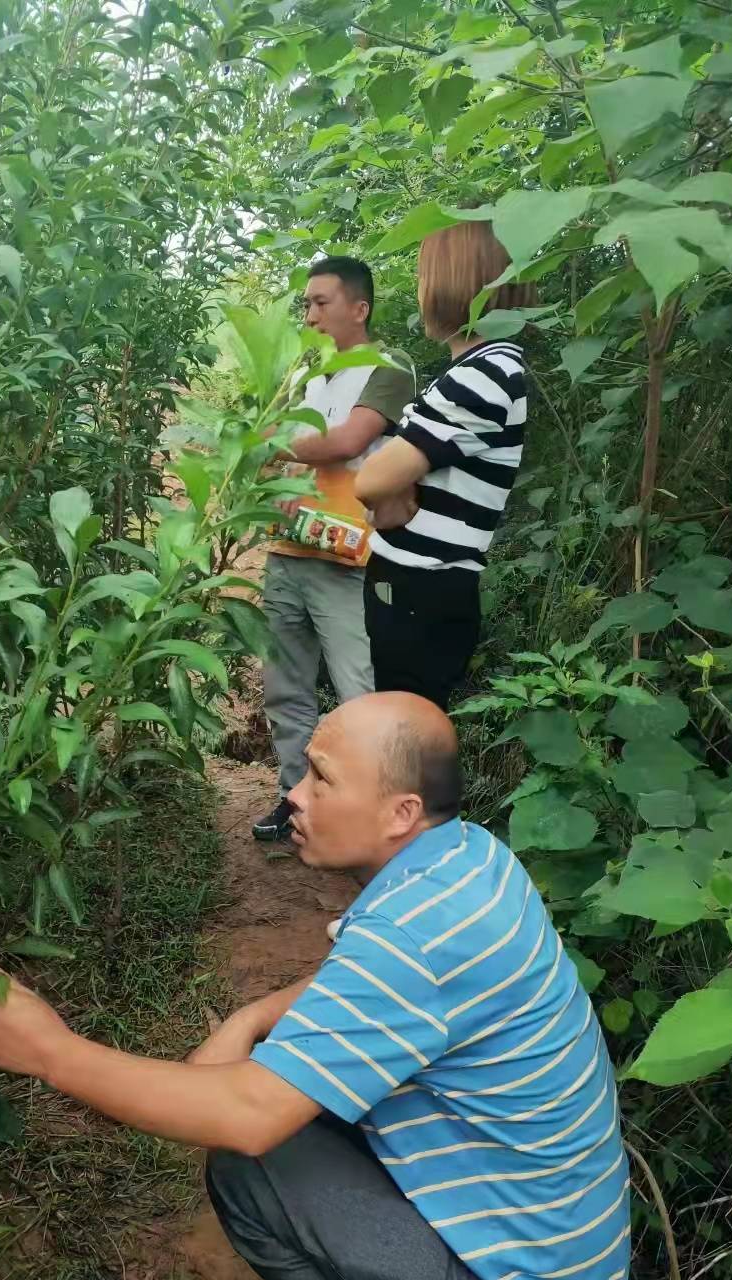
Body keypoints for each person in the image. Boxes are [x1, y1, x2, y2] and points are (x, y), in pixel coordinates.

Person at [0, 692, 629, 1280]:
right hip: (559, 1263)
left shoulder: (418, 934)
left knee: (252, 1166)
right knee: (298, 1092)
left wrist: (51, 1053)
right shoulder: (467, 862)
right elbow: (361, 986)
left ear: (401, 812)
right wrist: (249, 1019)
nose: (294, 796)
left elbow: (248, 1118)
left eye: (321, 780)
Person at [253, 256, 416, 843]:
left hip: (349, 560)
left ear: (360, 308)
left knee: (357, 697)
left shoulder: (389, 366)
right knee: (285, 689)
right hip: (288, 552)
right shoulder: (306, 376)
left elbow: (349, 440)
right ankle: (295, 807)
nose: (311, 315)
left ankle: (367, 823)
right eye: (306, 304)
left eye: (322, 303)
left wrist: (281, 446)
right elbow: (268, 445)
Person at [353, 222, 535, 711]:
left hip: (421, 588)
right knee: (398, 735)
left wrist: (389, 489)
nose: (420, 288)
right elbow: (388, 482)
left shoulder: (486, 374)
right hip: (411, 584)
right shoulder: (472, 371)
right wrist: (391, 490)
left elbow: (372, 478)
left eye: (424, 274)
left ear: (455, 282)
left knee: (402, 741)